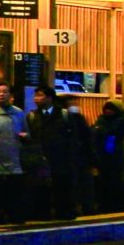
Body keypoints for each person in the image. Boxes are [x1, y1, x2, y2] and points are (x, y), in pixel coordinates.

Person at [31, 87, 91, 222]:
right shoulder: (33, 116)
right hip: (41, 159)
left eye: (40, 95)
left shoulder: (64, 115)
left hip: (61, 160)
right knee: (42, 188)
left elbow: (75, 138)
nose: (36, 98)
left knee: (62, 187)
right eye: (35, 95)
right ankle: (43, 214)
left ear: (50, 98)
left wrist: (72, 158)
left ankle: (64, 212)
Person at [0, 84, 28, 228]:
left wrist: (25, 136)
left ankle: (15, 217)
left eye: (4, 92)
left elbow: (27, 133)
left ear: (10, 95)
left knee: (14, 192)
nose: (1, 94)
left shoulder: (19, 113)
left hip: (15, 160)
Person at [93, 100, 124, 211]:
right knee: (103, 180)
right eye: (106, 109)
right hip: (102, 154)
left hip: (114, 154)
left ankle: (115, 204)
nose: (108, 111)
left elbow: (112, 133)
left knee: (114, 179)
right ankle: (104, 203)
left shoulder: (122, 120)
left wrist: (101, 130)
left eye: (111, 109)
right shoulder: (101, 119)